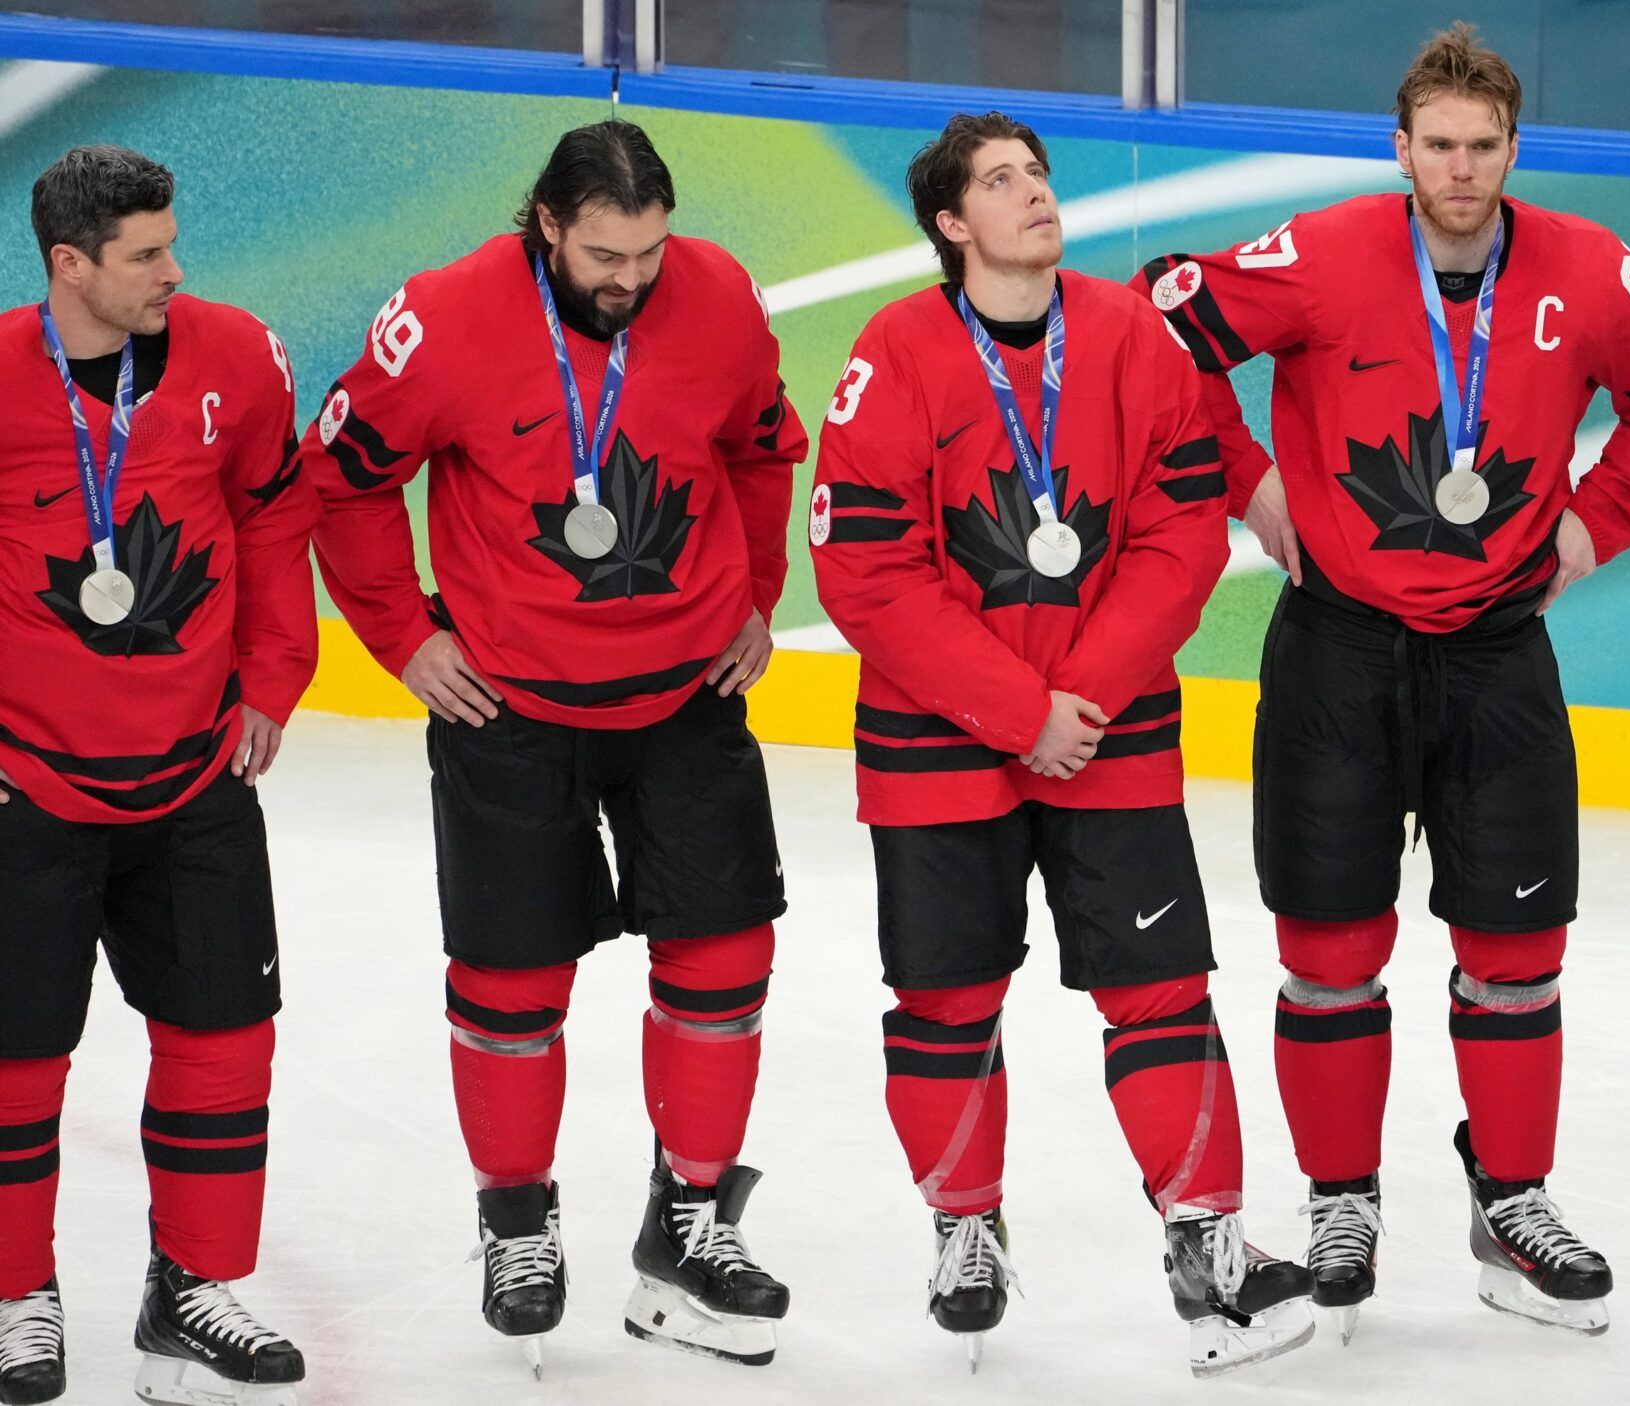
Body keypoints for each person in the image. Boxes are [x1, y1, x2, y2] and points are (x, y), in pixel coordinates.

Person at [1132, 22, 1630, 1340]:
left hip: (1495, 652)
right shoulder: (1330, 251)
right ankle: (1341, 1198)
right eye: (1439, 147)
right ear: (1400, 148)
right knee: (1331, 951)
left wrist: (1595, 527)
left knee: (1518, 952)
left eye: (1484, 148)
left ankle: (1509, 1202)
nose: (1461, 171)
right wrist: (1251, 483)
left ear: (1514, 151)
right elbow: (1158, 325)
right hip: (1337, 650)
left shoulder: (1585, 271)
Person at [810, 110, 1314, 1377]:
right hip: (941, 745)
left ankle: (1208, 1238)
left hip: (1113, 732)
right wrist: (1016, 710)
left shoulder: (1133, 334)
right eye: (999, 181)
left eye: (1037, 172)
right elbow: (863, 570)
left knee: (1160, 991)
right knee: (944, 1000)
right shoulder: (895, 350)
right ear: (948, 223)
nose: (1034, 193)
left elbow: (1184, 529)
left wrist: (1077, 695)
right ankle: (964, 1227)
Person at [299, 120, 808, 1374]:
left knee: (727, 952)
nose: (627, 278)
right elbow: (344, 477)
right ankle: (516, 1218)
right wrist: (403, 637)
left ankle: (689, 1221)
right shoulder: (441, 318)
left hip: (685, 691)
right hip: (509, 707)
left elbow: (762, 449)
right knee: (512, 977)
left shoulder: (723, 296)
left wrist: (755, 590)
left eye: (646, 250)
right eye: (601, 253)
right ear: (547, 225)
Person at [0, 146, 316, 1406]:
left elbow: (275, 514)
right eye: (145, 254)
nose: (174, 270)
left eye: (172, 244)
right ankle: (20, 1293)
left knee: (225, 1040)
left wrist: (275, 673)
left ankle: (190, 1289)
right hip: (31, 790)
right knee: (18, 1061)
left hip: (195, 775)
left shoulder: (237, 359)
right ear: (70, 263)